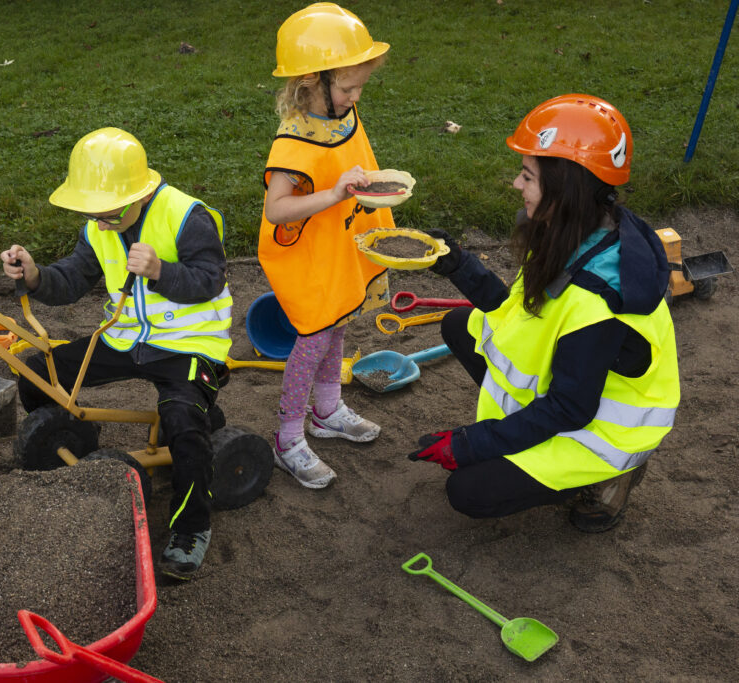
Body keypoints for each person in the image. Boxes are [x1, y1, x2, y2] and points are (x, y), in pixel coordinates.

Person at [407, 94, 680, 533]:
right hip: (575, 384)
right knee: (460, 325)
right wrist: (459, 265)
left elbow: (571, 409)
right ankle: (521, 446)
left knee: (468, 491)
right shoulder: (575, 229)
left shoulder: (597, 299)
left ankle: (612, 477)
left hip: (602, 431)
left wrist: (471, 444)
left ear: (564, 187)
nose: (517, 184)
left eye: (528, 176)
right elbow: (516, 309)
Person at [0, 127, 232, 580]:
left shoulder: (187, 216)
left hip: (188, 342)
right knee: (38, 373)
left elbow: (211, 280)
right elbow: (71, 278)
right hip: (126, 336)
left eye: (103, 212)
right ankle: (65, 440)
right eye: (90, 210)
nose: (96, 221)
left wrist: (161, 271)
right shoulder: (99, 223)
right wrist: (33, 275)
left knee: (183, 423)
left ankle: (190, 529)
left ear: (135, 194)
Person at [258, 2, 395, 489]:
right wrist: (335, 193)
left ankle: (327, 410)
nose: (357, 95)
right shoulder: (293, 145)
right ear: (309, 84)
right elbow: (277, 210)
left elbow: (349, 157)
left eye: (359, 85)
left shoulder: (342, 113)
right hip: (307, 256)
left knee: (338, 322)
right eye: (348, 86)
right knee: (313, 337)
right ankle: (289, 437)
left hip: (338, 246)